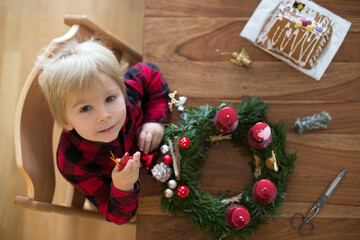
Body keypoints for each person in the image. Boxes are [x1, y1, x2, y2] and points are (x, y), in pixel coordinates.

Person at [38, 40, 169, 224]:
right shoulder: (73, 161)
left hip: (155, 156)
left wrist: (154, 120)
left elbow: (150, 72)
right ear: (66, 121)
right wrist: (122, 186)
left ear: (122, 89)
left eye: (110, 98)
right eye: (85, 108)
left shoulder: (126, 95)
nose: (104, 115)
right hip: (123, 187)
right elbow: (117, 216)